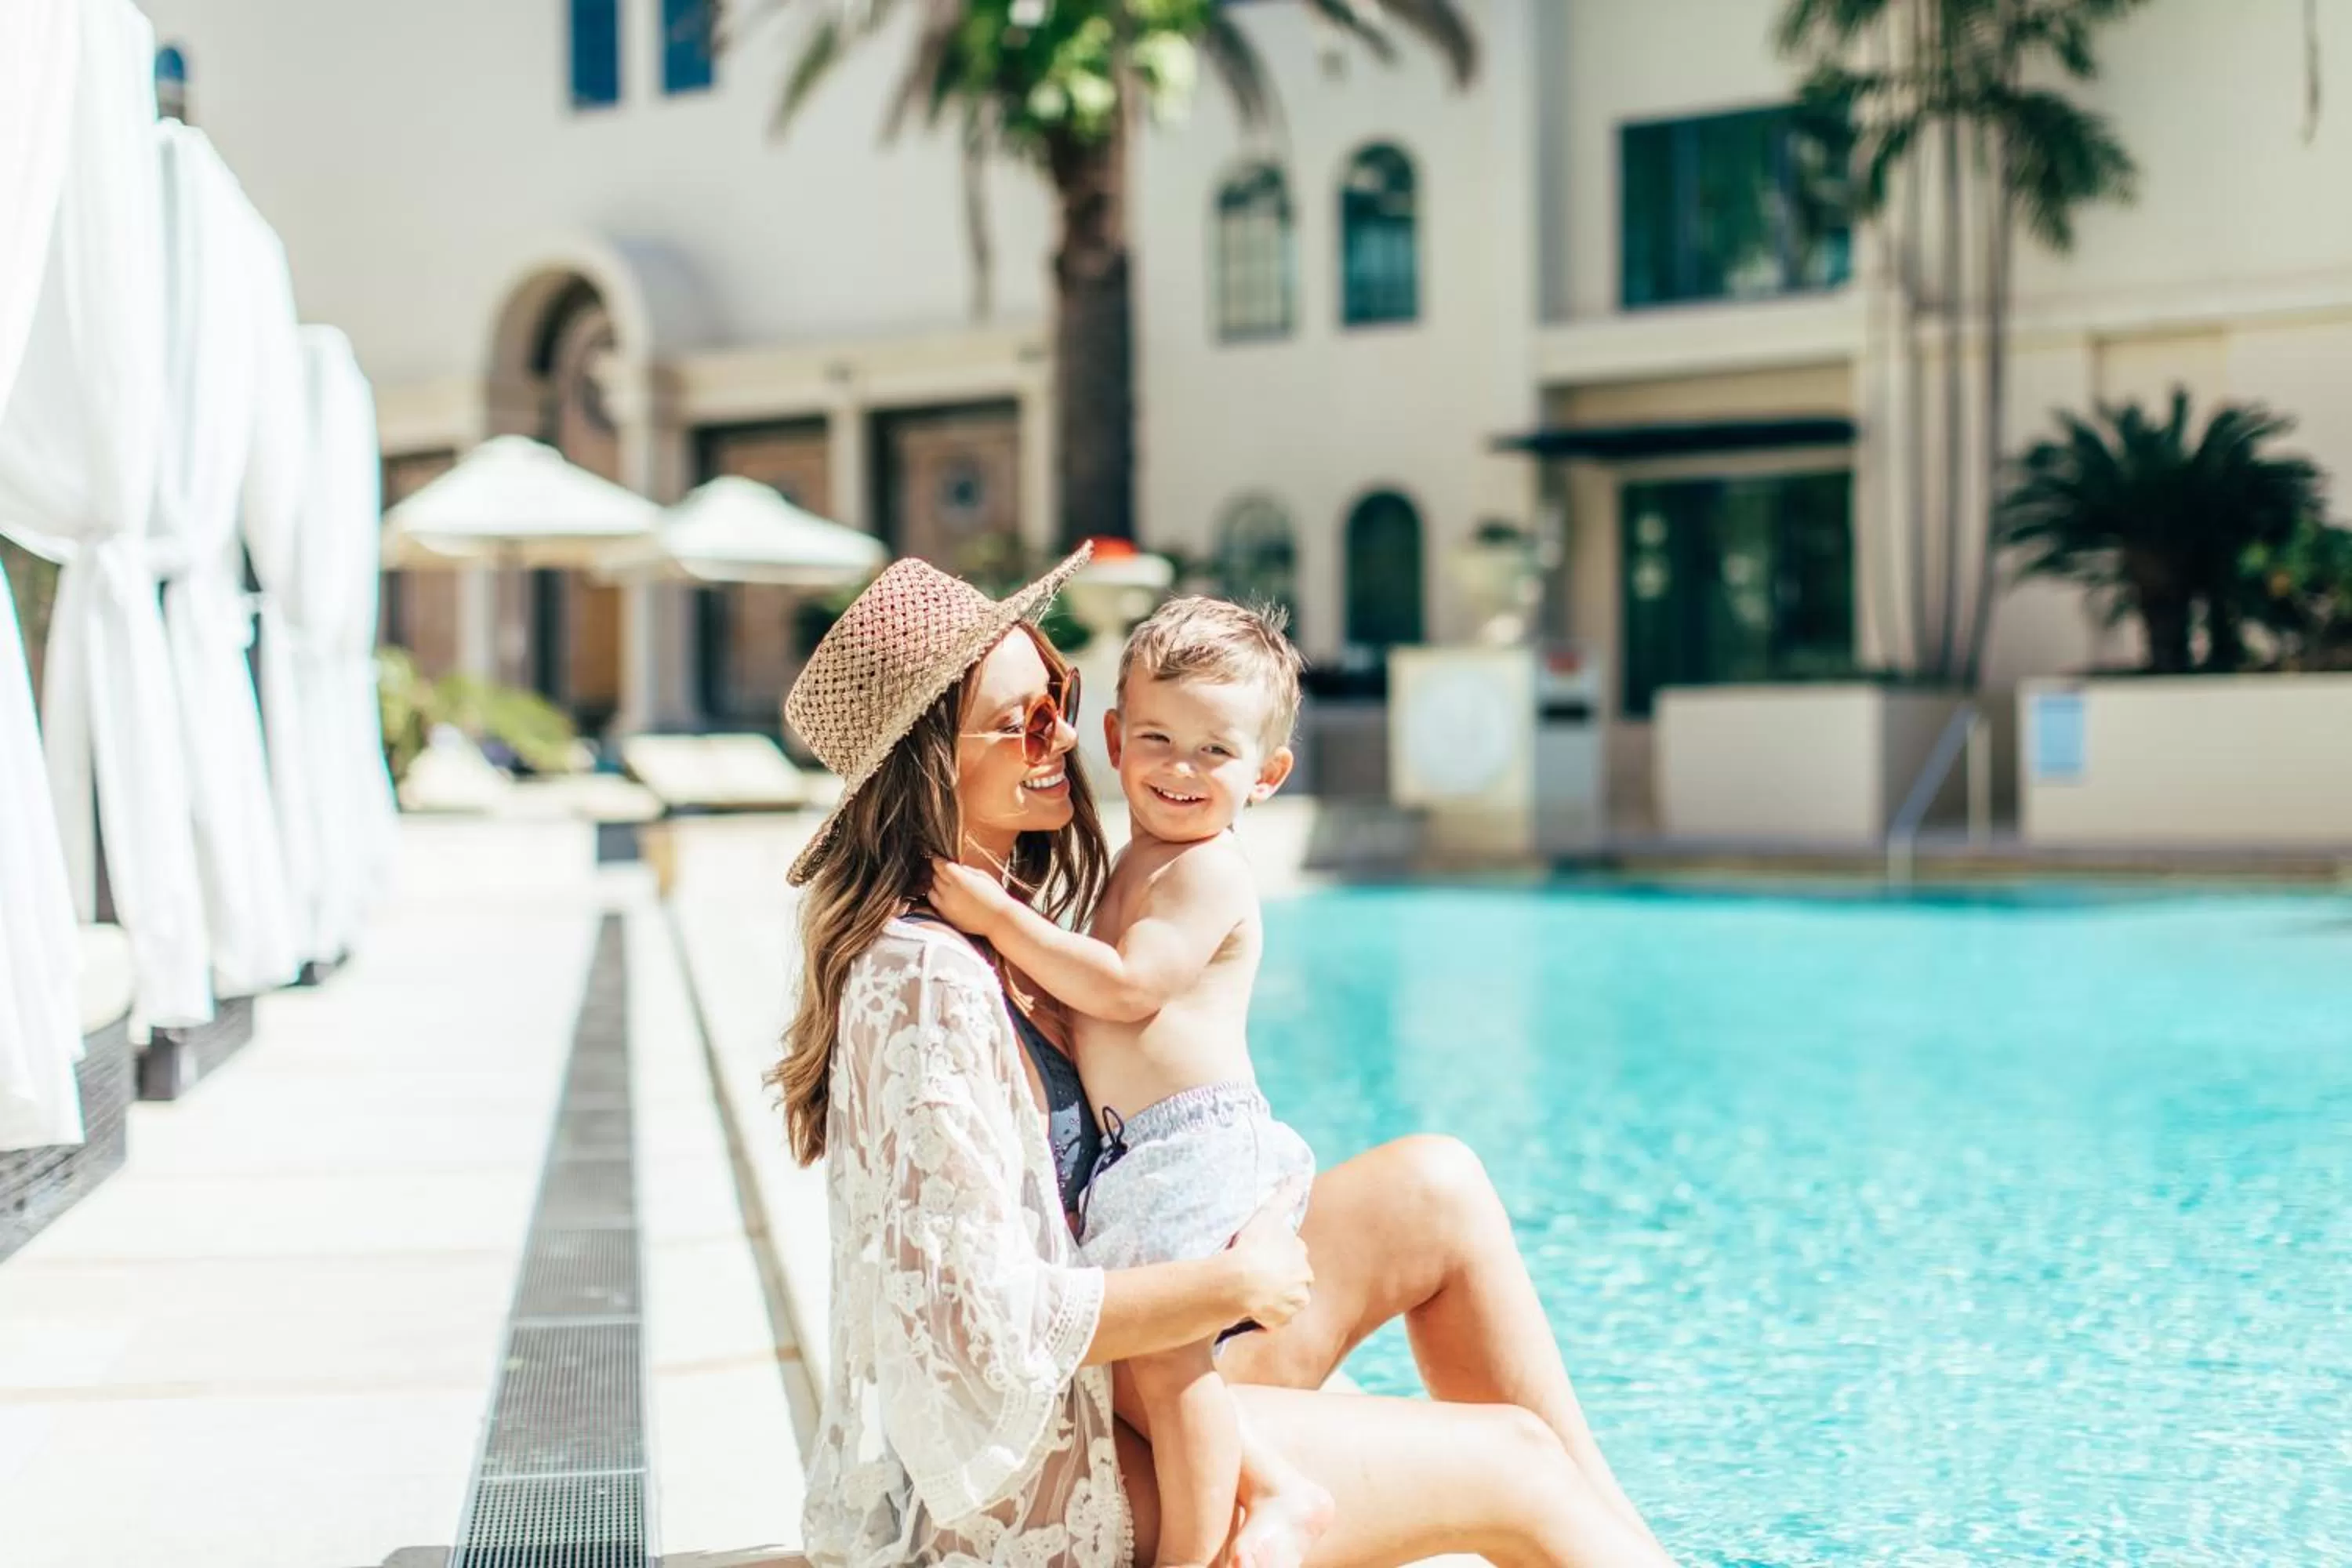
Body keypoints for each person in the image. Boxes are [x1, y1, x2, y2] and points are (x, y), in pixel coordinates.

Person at [776, 546, 1675, 1567]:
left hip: (1126, 1372)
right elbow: (982, 1325)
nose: (1062, 735)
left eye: (1060, 699)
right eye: (1022, 720)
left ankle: (1644, 1547)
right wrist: (1233, 1281)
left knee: (1440, 1183)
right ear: (932, 762)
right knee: (1516, 1459)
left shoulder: (1014, 924)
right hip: (1039, 1469)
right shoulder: (922, 979)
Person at [926, 595, 1330, 1568]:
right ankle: (1279, 1487)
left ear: (1267, 773)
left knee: (1169, 1355)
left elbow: (1129, 984)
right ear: (1113, 738)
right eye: (1157, 739)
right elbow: (1098, 1014)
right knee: (1139, 1364)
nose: (1180, 770)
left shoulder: (1207, 872)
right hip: (1143, 1153)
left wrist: (999, 919)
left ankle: (1192, 1552)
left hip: (1195, 1141)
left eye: (1214, 751)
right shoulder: (1135, 861)